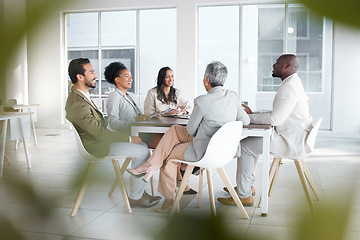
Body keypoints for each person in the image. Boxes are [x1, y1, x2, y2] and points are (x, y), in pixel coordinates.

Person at [127, 61, 250, 212]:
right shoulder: (233, 96)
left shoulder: (202, 101)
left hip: (205, 150)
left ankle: (167, 196)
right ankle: (150, 167)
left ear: (207, 80)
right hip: (224, 149)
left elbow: (191, 130)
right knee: (174, 130)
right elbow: (245, 121)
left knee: (170, 156)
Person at [217, 54, 313, 207]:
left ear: (287, 67)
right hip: (293, 135)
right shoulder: (293, 83)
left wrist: (248, 118)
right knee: (250, 143)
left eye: (277, 63)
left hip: (289, 140)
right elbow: (278, 113)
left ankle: (244, 195)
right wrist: (253, 114)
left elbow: (275, 119)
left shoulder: (288, 88)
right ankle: (247, 186)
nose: (273, 65)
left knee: (246, 146)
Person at [65, 58, 161, 208]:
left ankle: (138, 192)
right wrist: (128, 138)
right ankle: (135, 197)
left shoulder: (81, 97)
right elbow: (100, 133)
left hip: (100, 140)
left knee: (142, 145)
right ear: (80, 77)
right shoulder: (77, 103)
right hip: (97, 146)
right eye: (91, 72)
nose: (95, 75)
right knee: (143, 151)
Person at [144, 66, 195, 194]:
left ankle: (177, 182)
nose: (170, 79)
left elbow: (188, 106)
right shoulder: (152, 93)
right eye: (167, 76)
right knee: (173, 147)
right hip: (155, 132)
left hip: (171, 130)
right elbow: (147, 114)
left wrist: (182, 111)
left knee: (177, 144)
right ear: (162, 78)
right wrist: (162, 113)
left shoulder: (176, 93)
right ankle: (179, 181)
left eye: (172, 76)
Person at [104, 61, 149, 143]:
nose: (130, 79)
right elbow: (113, 125)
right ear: (117, 79)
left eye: (131, 77)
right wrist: (135, 119)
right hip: (127, 137)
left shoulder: (131, 96)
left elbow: (139, 116)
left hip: (139, 132)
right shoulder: (114, 97)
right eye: (126, 76)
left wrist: (153, 115)